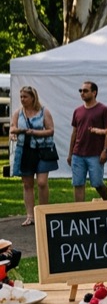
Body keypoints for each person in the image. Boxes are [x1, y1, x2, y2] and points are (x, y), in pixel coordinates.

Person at [10, 86, 58, 225]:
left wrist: (34, 132)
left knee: (42, 182)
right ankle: (30, 216)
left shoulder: (44, 112)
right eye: (21, 97)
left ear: (33, 98)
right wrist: (15, 132)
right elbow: (12, 128)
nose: (22, 99)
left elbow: (50, 130)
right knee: (27, 184)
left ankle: (43, 212)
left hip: (42, 149)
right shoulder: (18, 113)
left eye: (25, 97)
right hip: (24, 149)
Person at [68, 81, 107, 202]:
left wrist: (105, 151)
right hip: (78, 154)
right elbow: (74, 132)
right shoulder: (77, 111)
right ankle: (80, 211)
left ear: (94, 92)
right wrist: (70, 153)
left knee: (97, 183)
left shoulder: (104, 110)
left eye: (85, 91)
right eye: (80, 91)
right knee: (78, 183)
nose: (82, 93)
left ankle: (106, 201)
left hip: (96, 153)